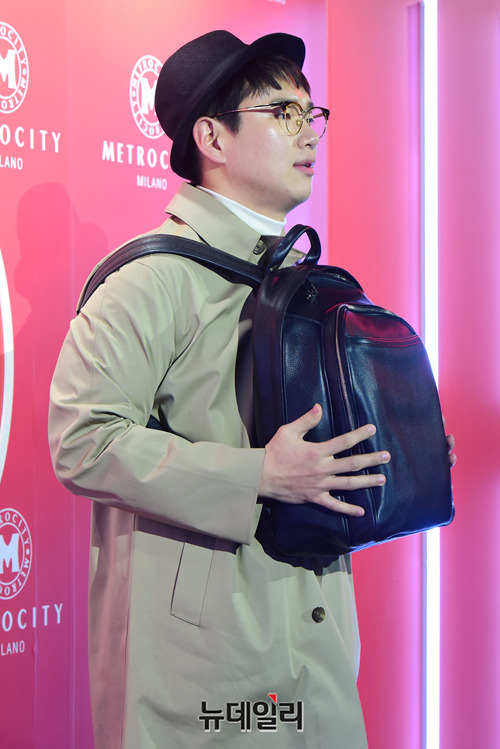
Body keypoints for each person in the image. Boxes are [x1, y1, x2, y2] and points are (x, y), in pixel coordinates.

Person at [49, 30, 455, 749]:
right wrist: (258, 474)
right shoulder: (150, 279)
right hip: (208, 667)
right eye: (282, 112)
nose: (309, 132)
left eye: (311, 112)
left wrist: (400, 452)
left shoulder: (299, 280)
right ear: (213, 136)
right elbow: (82, 440)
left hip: (317, 637)